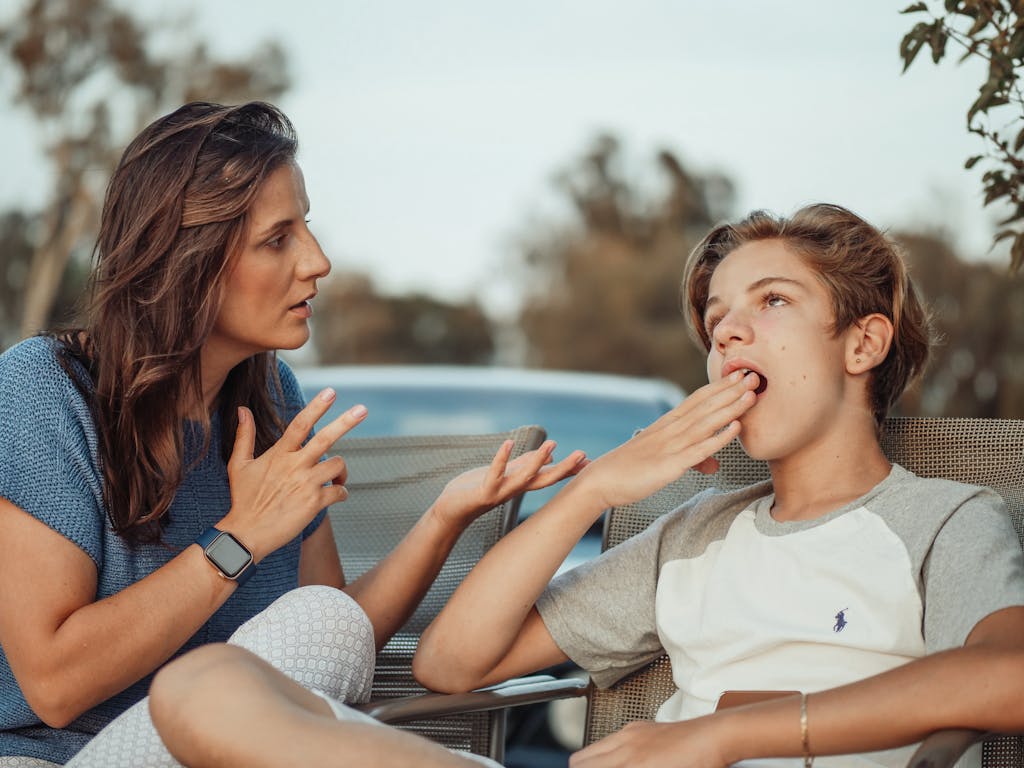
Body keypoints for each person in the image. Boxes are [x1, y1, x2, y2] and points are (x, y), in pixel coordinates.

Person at [145, 203, 1024, 768]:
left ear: (862, 345)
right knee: (204, 686)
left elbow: (1011, 678)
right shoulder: (696, 535)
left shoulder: (941, 519)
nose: (730, 337)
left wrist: (718, 737)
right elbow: (455, 664)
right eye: (718, 322)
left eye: (773, 304)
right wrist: (591, 492)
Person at [0, 101, 584, 767]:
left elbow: (334, 632)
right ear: (186, 263)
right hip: (49, 758)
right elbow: (52, 684)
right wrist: (240, 539)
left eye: (306, 228)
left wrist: (444, 516)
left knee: (324, 622)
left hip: (224, 752)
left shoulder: (272, 400)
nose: (319, 261)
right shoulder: (44, 390)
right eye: (279, 240)